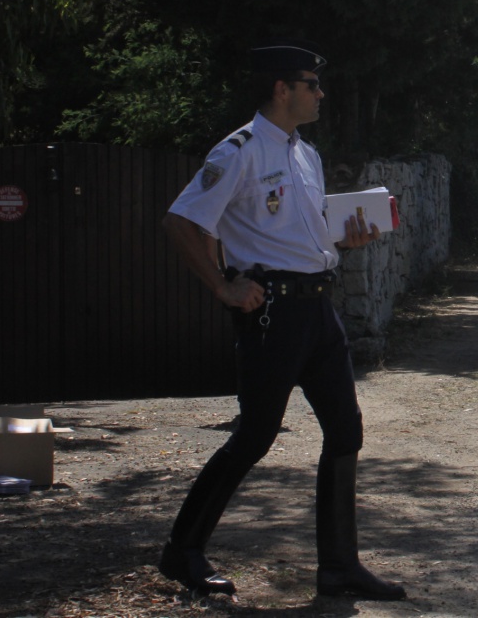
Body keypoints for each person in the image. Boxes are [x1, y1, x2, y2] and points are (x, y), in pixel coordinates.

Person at [157, 44, 406, 600]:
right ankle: (183, 550)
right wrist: (223, 285)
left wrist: (347, 233)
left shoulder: (305, 155)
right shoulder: (239, 151)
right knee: (255, 436)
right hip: (273, 314)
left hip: (319, 309)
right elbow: (180, 220)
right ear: (281, 90)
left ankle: (339, 566)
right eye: (311, 84)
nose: (320, 93)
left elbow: (303, 232)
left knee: (346, 430)